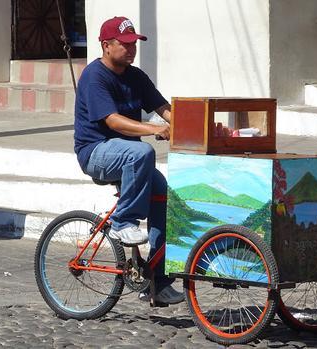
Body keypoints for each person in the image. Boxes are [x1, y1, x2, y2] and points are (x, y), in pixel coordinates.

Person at [74, 16, 184, 305]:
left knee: (166, 198)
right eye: (124, 44)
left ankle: (157, 281)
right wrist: (156, 130)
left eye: (133, 44)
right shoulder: (94, 76)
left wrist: (188, 127)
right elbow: (113, 122)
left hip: (128, 157)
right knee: (142, 151)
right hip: (95, 152)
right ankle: (124, 221)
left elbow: (163, 108)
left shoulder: (136, 76)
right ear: (106, 45)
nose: (131, 49)